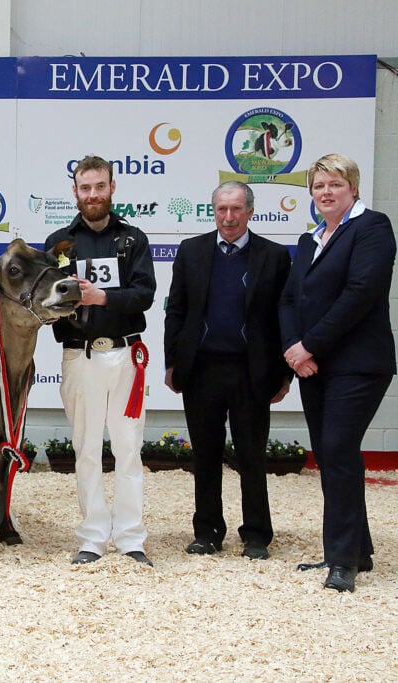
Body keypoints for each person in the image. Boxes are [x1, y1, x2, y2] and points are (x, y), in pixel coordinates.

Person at [279, 153, 396, 592]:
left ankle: (341, 560)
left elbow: (360, 293)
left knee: (338, 449)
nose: (326, 192)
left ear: (353, 188)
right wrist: (294, 351)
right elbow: (290, 299)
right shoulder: (311, 239)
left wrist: (310, 344)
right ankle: (358, 550)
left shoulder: (372, 228)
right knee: (331, 456)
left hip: (359, 364)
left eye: (335, 184)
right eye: (318, 186)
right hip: (314, 367)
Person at [164, 181, 292, 561]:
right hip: (201, 370)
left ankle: (256, 536)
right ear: (213, 212)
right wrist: (173, 363)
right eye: (222, 209)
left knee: (252, 455)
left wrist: (285, 375)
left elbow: (282, 318)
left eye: (236, 209)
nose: (229, 217)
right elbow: (177, 311)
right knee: (205, 455)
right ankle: (207, 532)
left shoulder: (273, 256)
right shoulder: (191, 251)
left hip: (252, 371)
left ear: (250, 211)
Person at [44, 155, 156, 566]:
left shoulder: (133, 239)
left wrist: (102, 296)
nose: (93, 194)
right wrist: (71, 299)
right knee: (86, 448)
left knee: (128, 449)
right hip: (80, 355)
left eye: (100, 186)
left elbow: (144, 294)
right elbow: (46, 299)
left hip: (126, 355)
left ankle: (130, 538)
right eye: (85, 187)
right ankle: (92, 536)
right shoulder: (59, 242)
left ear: (112, 188)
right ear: (74, 192)